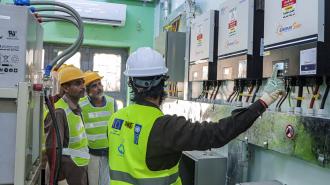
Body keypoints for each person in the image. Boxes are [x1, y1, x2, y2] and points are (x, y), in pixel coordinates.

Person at [107, 47, 285, 185]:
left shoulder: (115, 118)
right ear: (162, 82)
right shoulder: (165, 127)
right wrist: (264, 100)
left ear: (131, 82)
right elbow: (218, 133)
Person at [44, 66, 89, 185]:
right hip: (66, 175)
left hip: (77, 169)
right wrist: (60, 178)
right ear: (66, 88)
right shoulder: (59, 112)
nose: (83, 87)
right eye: (78, 83)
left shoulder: (76, 108)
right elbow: (52, 149)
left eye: (83, 83)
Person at [79, 71, 116, 185]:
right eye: (94, 86)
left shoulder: (111, 102)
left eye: (99, 84)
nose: (99, 88)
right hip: (92, 154)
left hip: (110, 153)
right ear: (87, 90)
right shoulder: (81, 105)